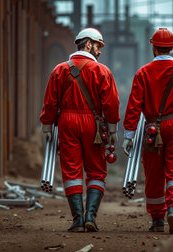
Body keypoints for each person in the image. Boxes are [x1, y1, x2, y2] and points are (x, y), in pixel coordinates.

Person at [122, 28, 173, 234]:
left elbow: (133, 106)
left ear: (153, 46)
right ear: (172, 47)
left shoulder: (143, 73)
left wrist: (129, 135)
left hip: (152, 129)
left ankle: (158, 219)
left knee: (153, 172)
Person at [40, 28, 120, 232]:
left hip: (66, 123)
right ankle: (91, 217)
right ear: (87, 44)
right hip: (93, 124)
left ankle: (78, 220)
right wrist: (112, 129)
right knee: (96, 171)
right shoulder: (102, 71)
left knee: (72, 171)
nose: (100, 51)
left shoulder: (59, 70)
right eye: (98, 46)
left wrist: (47, 125)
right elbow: (111, 104)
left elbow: (50, 101)